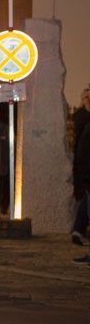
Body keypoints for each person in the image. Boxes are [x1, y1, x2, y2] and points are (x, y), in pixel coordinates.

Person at [71, 86, 90, 245]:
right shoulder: (80, 115)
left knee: (87, 197)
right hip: (84, 164)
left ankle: (78, 229)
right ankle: (79, 229)